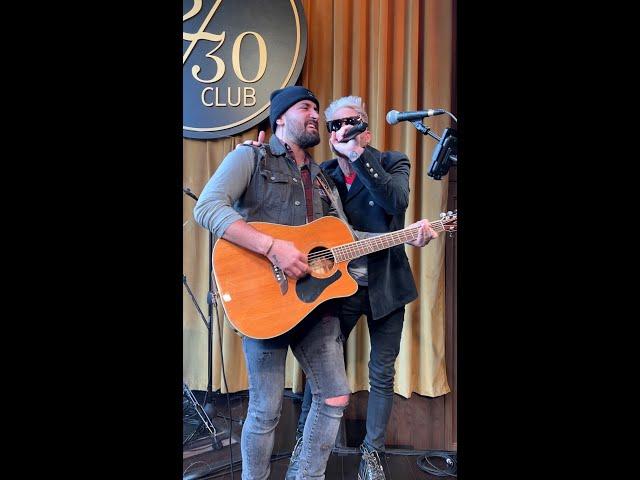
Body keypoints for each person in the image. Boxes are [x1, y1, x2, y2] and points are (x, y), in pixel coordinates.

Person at [286, 95, 437, 480]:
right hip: (339, 289)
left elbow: (396, 200)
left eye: (350, 123)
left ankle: (372, 453)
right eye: (334, 125)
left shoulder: (392, 161)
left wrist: (358, 156)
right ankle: (304, 445)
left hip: (389, 285)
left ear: (366, 130)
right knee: (319, 375)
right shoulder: (321, 176)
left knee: (381, 373)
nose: (341, 130)